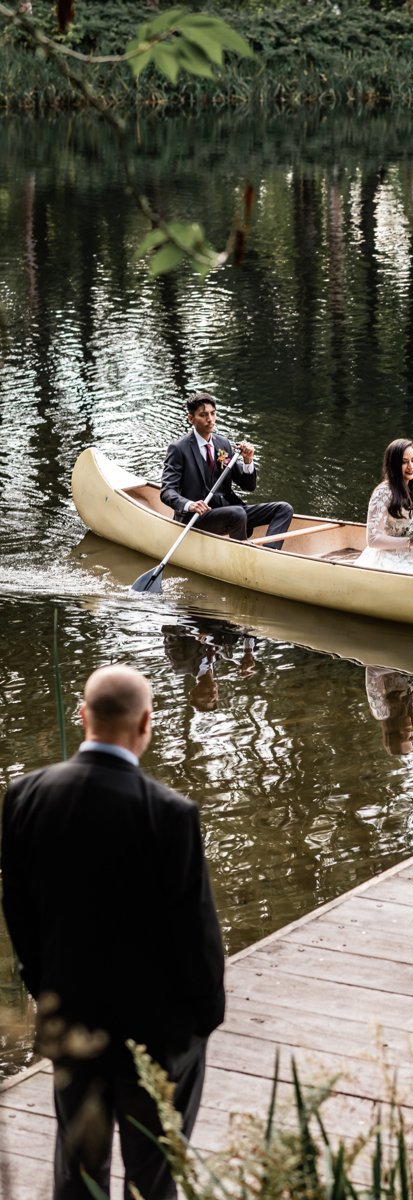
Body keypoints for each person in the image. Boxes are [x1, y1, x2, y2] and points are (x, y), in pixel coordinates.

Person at [0, 665, 226, 1200]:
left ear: (83, 717)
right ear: (145, 722)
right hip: (158, 1034)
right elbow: (196, 932)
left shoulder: (24, 797)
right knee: (154, 1178)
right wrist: (204, 1021)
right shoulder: (170, 814)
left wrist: (47, 992)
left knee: (78, 1173)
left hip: (71, 1018)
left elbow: (20, 914)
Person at [160, 391, 294, 550]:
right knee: (237, 514)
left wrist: (248, 461)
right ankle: (244, 554)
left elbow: (248, 486)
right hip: (196, 518)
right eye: (203, 415)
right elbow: (167, 491)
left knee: (284, 508)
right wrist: (190, 505)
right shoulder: (178, 449)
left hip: (228, 510)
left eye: (213, 413)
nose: (210, 419)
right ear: (191, 419)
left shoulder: (223, 443)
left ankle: (270, 552)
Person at [355, 439, 413, 574]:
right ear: (394, 464)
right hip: (391, 556)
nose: (411, 466)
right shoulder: (382, 493)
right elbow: (372, 540)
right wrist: (412, 542)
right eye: (404, 462)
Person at [364, 666, 413, 755]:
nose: (409, 732)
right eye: (411, 738)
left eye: (403, 736)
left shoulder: (381, 712)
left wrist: (407, 667)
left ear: (393, 732)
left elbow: (371, 671)